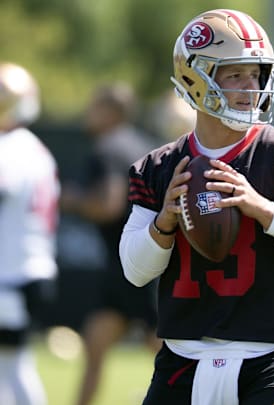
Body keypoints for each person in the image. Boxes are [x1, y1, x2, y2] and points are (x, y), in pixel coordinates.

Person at [118, 9, 274, 405]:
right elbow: (135, 271)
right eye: (235, 73)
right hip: (183, 358)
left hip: (271, 358)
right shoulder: (158, 167)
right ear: (195, 76)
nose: (250, 86)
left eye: (256, 73)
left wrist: (261, 207)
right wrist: (165, 221)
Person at [59, 83, 161, 405]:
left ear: (110, 112)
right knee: (96, 341)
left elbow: (108, 205)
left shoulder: (108, 148)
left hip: (132, 266)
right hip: (144, 261)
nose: (88, 113)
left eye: (94, 107)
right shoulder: (143, 145)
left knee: (167, 357)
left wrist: (72, 201)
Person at [0, 62, 60, 405]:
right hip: (31, 269)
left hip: (12, 274)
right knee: (9, 365)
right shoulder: (35, 149)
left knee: (13, 365)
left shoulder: (9, 149)